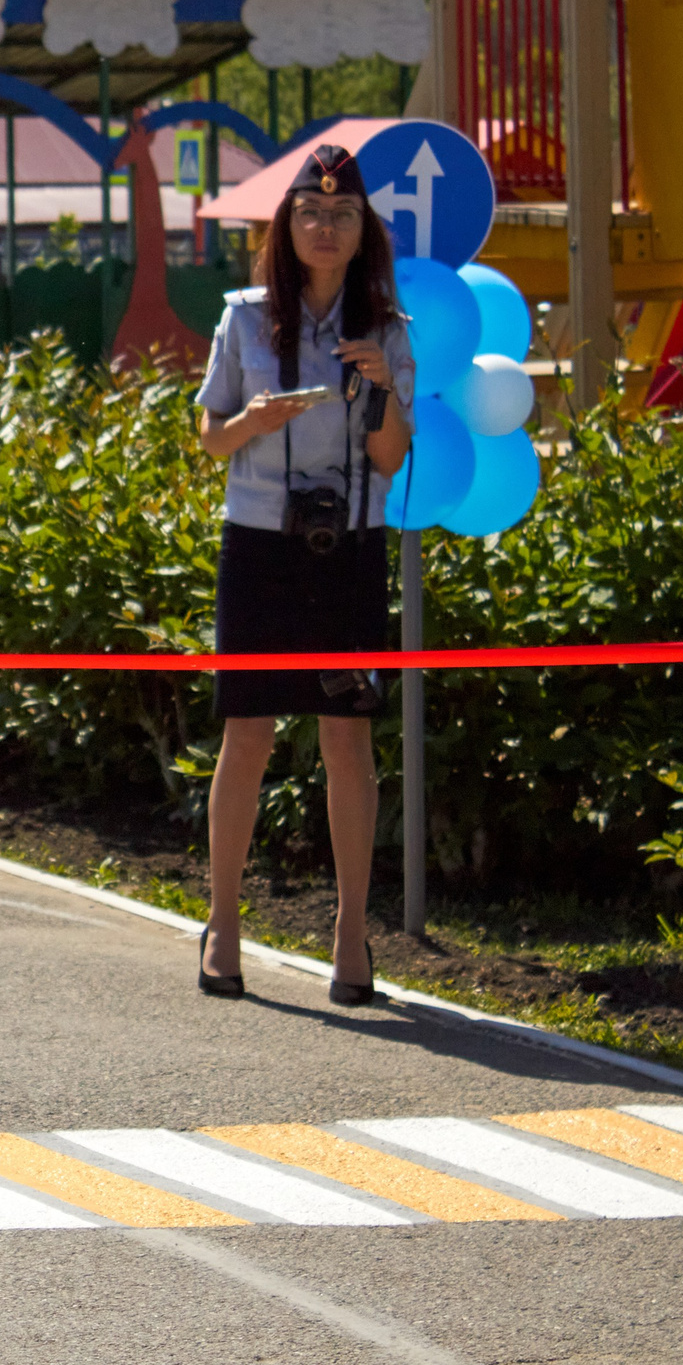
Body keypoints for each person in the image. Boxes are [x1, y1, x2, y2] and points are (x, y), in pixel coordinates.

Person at [191, 142, 414, 1008]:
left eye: (344, 214)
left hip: (349, 550)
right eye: (312, 214)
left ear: (365, 233)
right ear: (287, 227)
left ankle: (351, 934)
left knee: (346, 738)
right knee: (246, 733)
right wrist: (252, 417)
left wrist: (387, 386)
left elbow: (391, 459)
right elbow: (209, 437)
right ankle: (225, 924)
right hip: (259, 547)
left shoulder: (386, 332)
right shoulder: (245, 320)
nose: (326, 227)